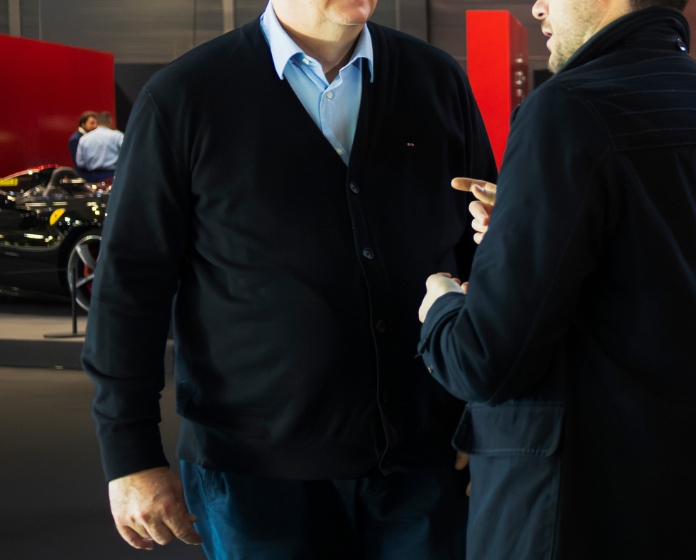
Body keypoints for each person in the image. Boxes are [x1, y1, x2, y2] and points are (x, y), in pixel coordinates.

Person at [83, 0, 495, 555]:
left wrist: (484, 414)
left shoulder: (436, 80)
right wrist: (129, 454)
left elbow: (484, 257)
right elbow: (129, 287)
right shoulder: (185, 96)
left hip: (423, 461)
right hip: (254, 474)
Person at [415, 0, 696, 557]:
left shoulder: (570, 108)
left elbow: (483, 359)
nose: (536, 8)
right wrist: (525, 223)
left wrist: (441, 303)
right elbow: (661, 286)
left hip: (575, 512)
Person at [74, 112, 123, 183]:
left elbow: (80, 163)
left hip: (93, 177)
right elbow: (126, 155)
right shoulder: (117, 136)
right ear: (110, 121)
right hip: (114, 176)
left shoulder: (84, 138)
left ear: (97, 122)